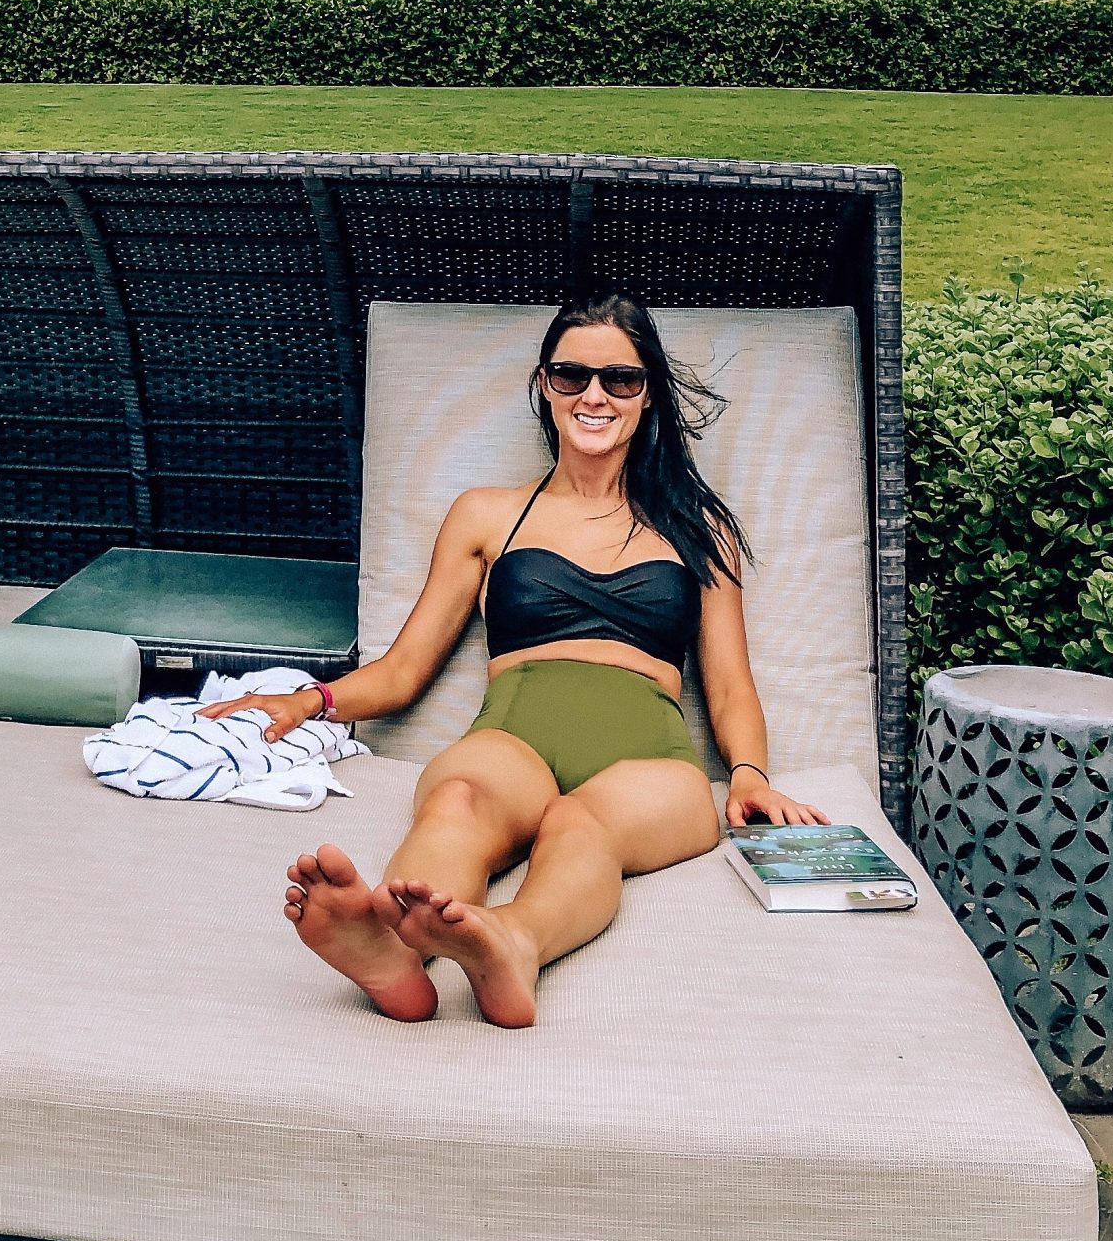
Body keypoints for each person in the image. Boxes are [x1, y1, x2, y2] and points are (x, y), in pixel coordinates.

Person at [199, 294, 825, 1028]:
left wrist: (748, 774)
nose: (594, 395)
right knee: (456, 799)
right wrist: (309, 700)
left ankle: (514, 943)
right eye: (573, 376)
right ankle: (395, 955)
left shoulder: (698, 526)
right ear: (545, 386)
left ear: (647, 393)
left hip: (649, 762)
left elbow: (728, 682)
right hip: (512, 739)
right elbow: (405, 670)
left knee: (580, 822)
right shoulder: (486, 514)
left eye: (620, 380)